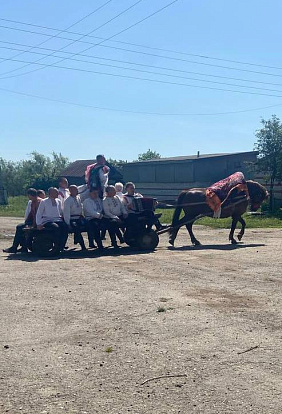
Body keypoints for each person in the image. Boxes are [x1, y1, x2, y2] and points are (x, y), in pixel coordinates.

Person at [3, 188, 42, 254]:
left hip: (38, 222)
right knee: (21, 226)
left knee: (20, 227)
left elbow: (37, 215)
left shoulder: (38, 202)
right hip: (33, 221)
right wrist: (26, 222)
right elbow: (31, 214)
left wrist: (33, 225)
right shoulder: (33, 201)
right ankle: (22, 247)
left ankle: (15, 247)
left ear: (30, 195)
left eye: (28, 195)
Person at [36, 187, 69, 252]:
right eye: (56, 192)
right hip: (47, 220)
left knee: (65, 227)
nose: (58, 193)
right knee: (56, 228)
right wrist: (38, 224)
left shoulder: (58, 201)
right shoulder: (44, 201)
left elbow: (61, 212)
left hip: (57, 220)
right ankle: (56, 246)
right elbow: (39, 213)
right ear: (51, 193)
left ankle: (62, 246)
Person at [63, 185, 86, 250]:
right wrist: (68, 223)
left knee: (89, 225)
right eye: (75, 190)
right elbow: (66, 213)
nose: (76, 191)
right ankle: (83, 245)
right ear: (71, 191)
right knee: (76, 228)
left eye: (76, 189)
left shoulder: (78, 198)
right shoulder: (68, 201)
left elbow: (80, 207)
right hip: (72, 219)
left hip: (79, 217)